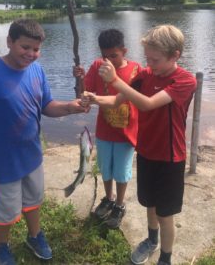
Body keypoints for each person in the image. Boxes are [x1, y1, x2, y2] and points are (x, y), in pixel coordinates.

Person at [0, 19, 89, 265]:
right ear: (9, 42)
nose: (31, 54)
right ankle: (1, 246)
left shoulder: (37, 71)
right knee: (5, 211)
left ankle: (35, 235)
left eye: (36, 49)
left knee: (33, 200)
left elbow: (46, 106)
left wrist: (70, 107)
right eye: (25, 47)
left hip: (31, 154)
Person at [84, 24, 197, 265]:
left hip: (170, 157)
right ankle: (151, 240)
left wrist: (114, 79)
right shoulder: (145, 75)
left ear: (175, 55)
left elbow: (147, 104)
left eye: (155, 60)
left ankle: (165, 258)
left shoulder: (184, 81)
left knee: (166, 214)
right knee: (150, 204)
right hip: (146, 153)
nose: (150, 64)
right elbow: (116, 100)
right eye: (147, 58)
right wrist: (94, 99)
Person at [74, 29, 141, 229]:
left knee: (121, 171)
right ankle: (108, 198)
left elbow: (129, 99)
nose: (109, 60)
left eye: (114, 55)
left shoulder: (137, 70)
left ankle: (120, 204)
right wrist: (79, 79)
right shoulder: (97, 66)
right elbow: (84, 96)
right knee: (105, 169)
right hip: (104, 131)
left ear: (124, 51)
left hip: (126, 133)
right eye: (105, 56)